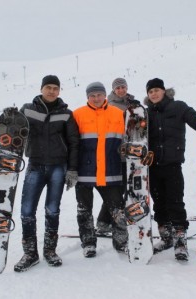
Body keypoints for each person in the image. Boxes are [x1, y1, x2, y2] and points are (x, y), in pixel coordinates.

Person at [144, 78, 196, 261]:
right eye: (150, 91)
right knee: (159, 203)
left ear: (164, 91)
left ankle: (180, 242)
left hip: (172, 165)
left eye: (156, 90)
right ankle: (166, 237)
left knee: (175, 203)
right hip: (152, 166)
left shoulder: (178, 107)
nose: (154, 94)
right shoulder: (146, 113)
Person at [14, 75, 79, 272]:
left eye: (55, 88)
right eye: (48, 87)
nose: (51, 91)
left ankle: (50, 250)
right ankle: (30, 253)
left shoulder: (66, 114)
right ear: (41, 89)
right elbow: (15, 131)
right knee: (27, 210)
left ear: (59, 91)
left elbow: (74, 142)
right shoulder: (27, 110)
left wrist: (73, 169)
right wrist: (11, 118)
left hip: (58, 167)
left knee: (52, 210)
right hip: (35, 165)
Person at [73, 82, 128, 258]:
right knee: (84, 210)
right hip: (84, 172)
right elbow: (72, 144)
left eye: (99, 95)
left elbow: (126, 139)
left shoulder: (118, 113)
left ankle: (121, 241)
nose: (96, 98)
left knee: (117, 209)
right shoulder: (77, 114)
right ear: (87, 97)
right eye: (92, 95)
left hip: (110, 171)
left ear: (105, 95)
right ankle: (88, 243)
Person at [94, 78, 139, 235]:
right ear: (113, 90)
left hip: (132, 153)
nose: (121, 90)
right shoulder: (110, 105)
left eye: (123, 87)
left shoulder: (133, 103)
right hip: (116, 152)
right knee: (117, 190)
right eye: (118, 88)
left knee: (130, 188)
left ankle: (124, 216)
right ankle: (104, 221)